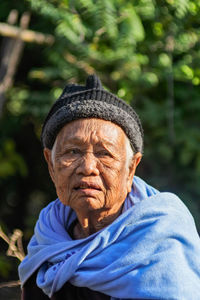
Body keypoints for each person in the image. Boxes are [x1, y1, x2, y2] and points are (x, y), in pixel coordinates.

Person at [18, 74, 200, 300]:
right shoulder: (46, 241)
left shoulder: (162, 239)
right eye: (72, 152)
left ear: (131, 169)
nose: (88, 168)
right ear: (50, 165)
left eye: (105, 154)